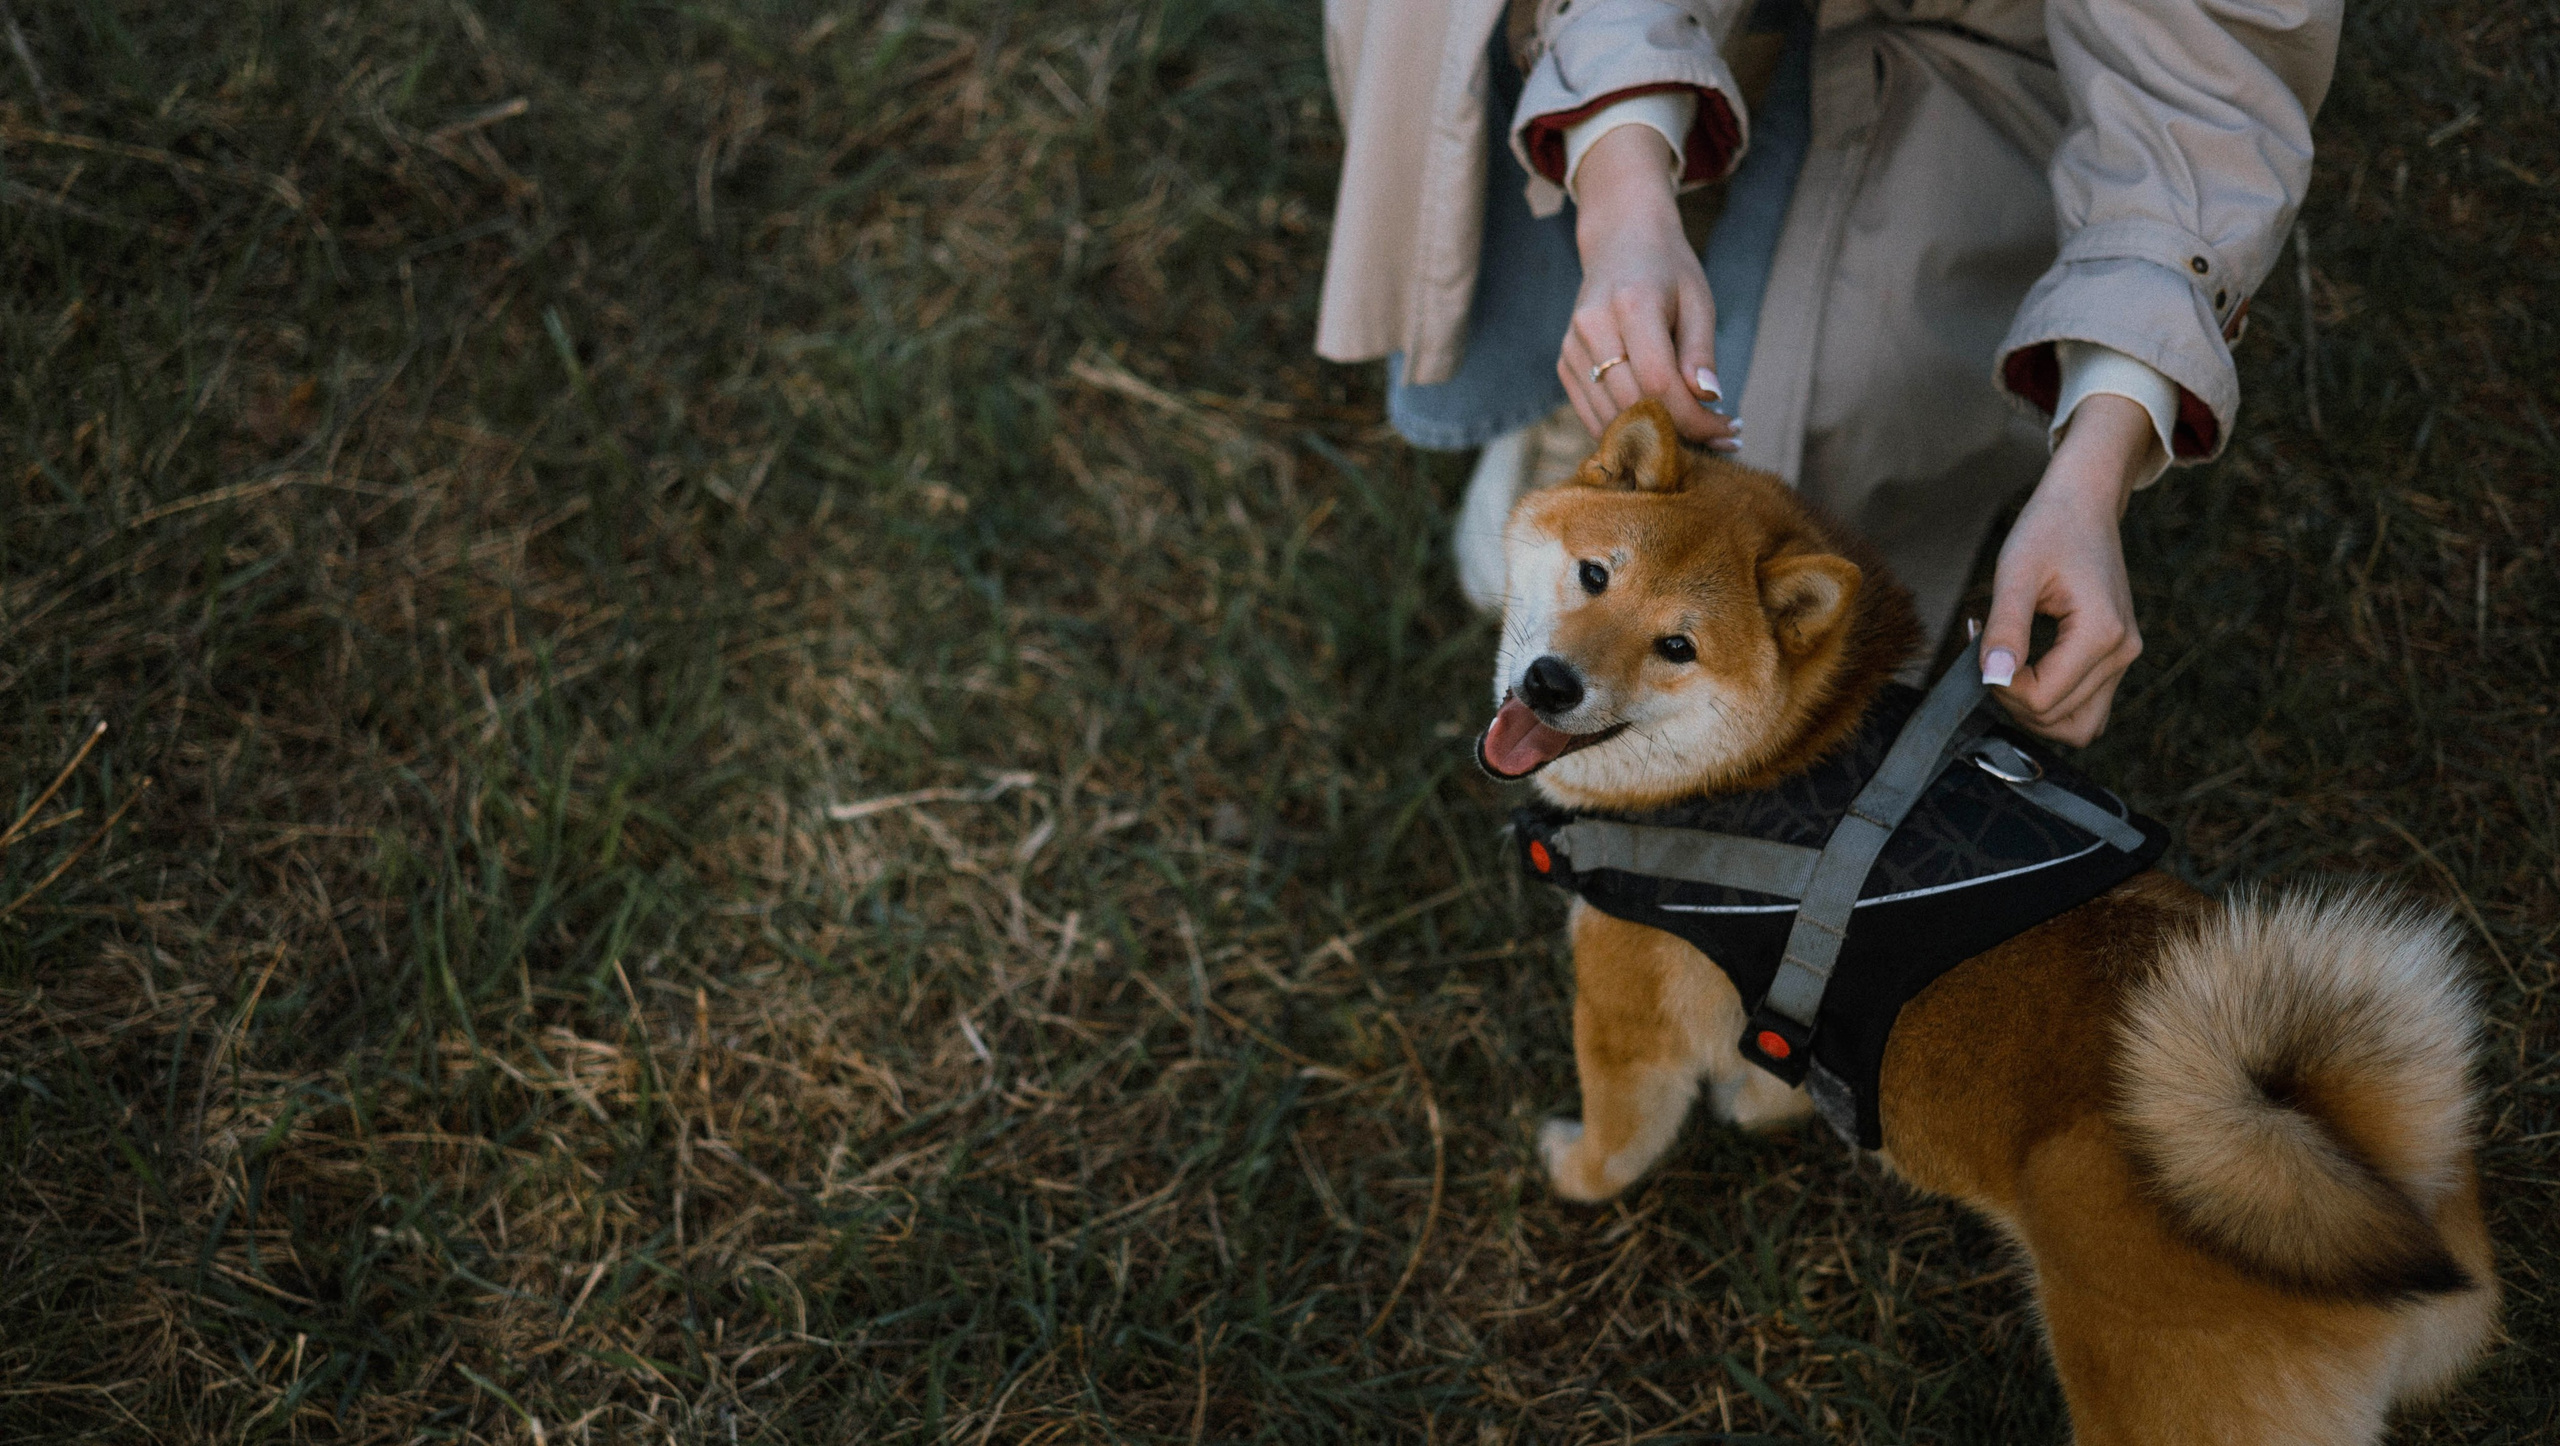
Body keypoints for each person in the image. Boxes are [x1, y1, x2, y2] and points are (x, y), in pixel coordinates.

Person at [1314, 0, 2338, 745]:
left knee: (1827, 440)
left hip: (1995, 44)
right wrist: (1620, 203)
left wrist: (2091, 472)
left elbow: (2203, 92)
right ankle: (1568, 374)